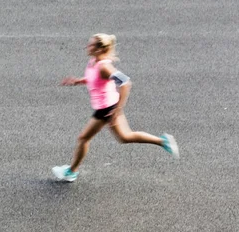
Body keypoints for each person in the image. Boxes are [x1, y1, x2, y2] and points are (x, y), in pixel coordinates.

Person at [52, 33, 179, 182]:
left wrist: (117, 110)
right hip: (108, 106)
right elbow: (95, 79)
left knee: (83, 138)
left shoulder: (104, 67)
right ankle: (163, 141)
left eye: (91, 45)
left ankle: (71, 172)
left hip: (106, 108)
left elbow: (125, 83)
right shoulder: (93, 62)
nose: (87, 46)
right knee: (125, 137)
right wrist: (79, 81)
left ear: (99, 49)